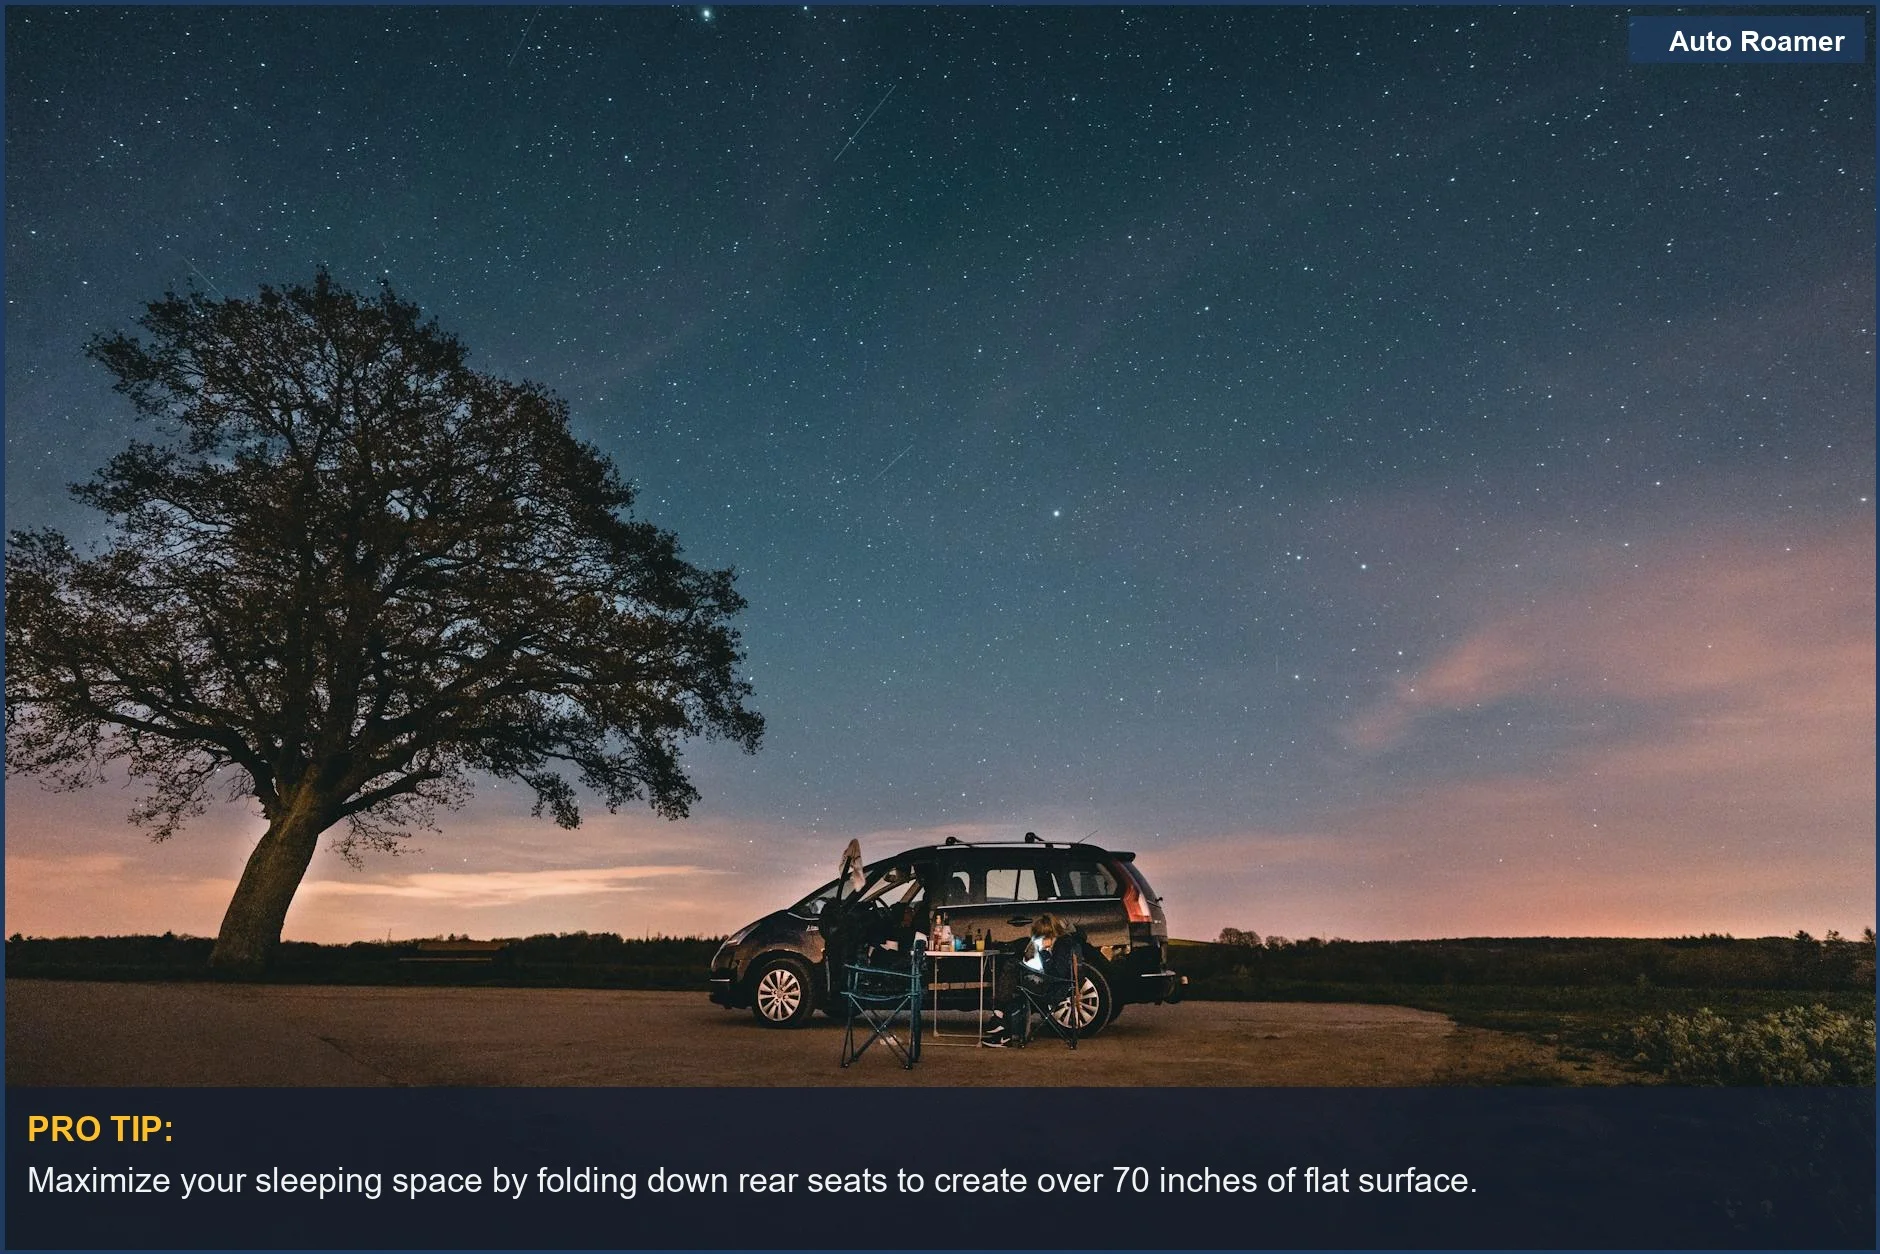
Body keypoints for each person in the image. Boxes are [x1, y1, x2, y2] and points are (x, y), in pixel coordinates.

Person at [980, 913, 1079, 1047]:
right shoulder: (1061, 943)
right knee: (1012, 977)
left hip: (1053, 987)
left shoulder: (1062, 945)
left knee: (1011, 967)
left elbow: (1056, 973)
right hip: (1049, 983)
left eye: (1041, 936)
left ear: (1049, 934)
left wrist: (1044, 952)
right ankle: (1001, 1026)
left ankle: (999, 1018)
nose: (1039, 940)